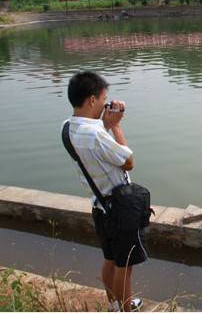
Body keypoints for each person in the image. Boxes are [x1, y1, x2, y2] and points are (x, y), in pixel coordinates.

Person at [63, 72, 146, 311]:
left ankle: (114, 305)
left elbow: (95, 138)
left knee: (110, 259)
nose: (105, 103)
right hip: (119, 208)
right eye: (103, 99)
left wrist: (104, 123)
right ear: (91, 100)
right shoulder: (96, 134)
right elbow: (128, 161)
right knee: (125, 265)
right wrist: (116, 126)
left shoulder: (68, 127)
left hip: (100, 205)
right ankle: (128, 308)